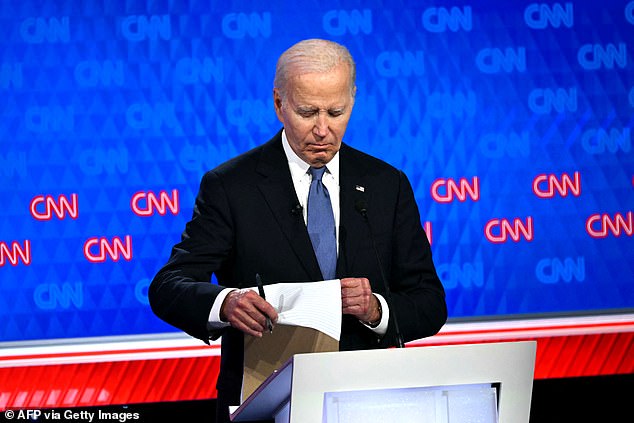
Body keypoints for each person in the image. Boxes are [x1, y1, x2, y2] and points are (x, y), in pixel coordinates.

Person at [148, 38, 447, 423]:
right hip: (266, 404)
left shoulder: (387, 185)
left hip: (366, 401)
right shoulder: (231, 186)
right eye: (308, 112)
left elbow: (429, 303)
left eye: (336, 111)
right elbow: (168, 285)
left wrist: (377, 310)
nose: (323, 129)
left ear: (352, 100)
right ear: (279, 104)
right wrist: (226, 303)